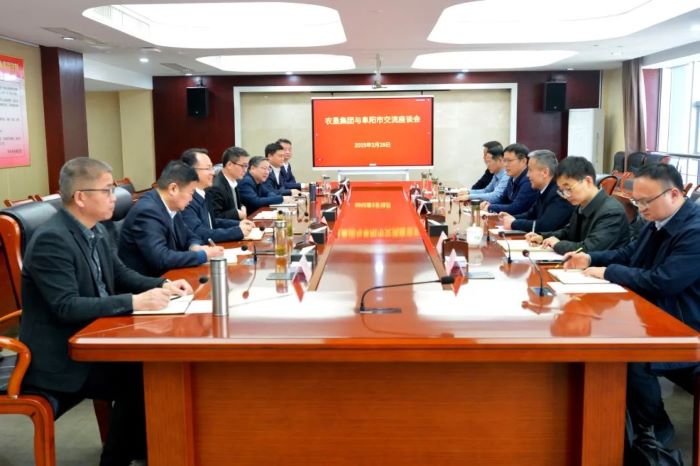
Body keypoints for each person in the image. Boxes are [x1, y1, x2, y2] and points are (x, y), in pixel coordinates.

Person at [20, 157, 193, 466]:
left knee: (151, 368)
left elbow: (122, 274)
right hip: (60, 356)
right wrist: (135, 302)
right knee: (142, 376)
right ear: (81, 197)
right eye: (107, 190)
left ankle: (145, 450)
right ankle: (117, 459)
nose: (115, 197)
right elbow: (66, 306)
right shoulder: (51, 239)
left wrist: (164, 284)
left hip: (96, 335)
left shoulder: (96, 230)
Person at [563, 163, 700, 445]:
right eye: (637, 201)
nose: (641, 208)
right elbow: (630, 253)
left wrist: (608, 272)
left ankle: (653, 432)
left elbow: (663, 281)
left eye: (646, 201)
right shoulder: (659, 219)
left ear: (674, 194)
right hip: (658, 313)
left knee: (631, 356)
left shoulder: (694, 231)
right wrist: (591, 258)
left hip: (687, 325)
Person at [118, 160, 223, 277]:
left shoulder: (171, 206)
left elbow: (190, 235)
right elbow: (160, 258)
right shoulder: (147, 211)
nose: (191, 199)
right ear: (173, 189)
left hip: (170, 275)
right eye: (191, 193)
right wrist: (202, 255)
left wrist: (195, 246)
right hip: (151, 282)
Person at [525, 156, 629, 254]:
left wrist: (557, 244)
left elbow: (590, 249)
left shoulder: (611, 212)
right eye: (562, 190)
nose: (566, 195)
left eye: (568, 188)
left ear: (587, 181)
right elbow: (569, 232)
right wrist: (543, 237)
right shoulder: (581, 204)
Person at [180, 148, 255, 242]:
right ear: (191, 171)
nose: (213, 173)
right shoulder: (186, 199)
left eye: (212, 168)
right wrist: (237, 232)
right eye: (208, 168)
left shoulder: (205, 193)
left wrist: (238, 224)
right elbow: (199, 232)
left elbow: (212, 222)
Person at [499, 149, 573, 233]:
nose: (527, 175)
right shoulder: (543, 189)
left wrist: (513, 223)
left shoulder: (558, 193)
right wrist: (512, 218)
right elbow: (531, 214)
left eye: (530, 170)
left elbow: (545, 226)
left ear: (545, 172)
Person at [480, 143, 538, 215]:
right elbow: (503, 199)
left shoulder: (529, 180)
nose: (505, 165)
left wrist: (490, 207)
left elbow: (516, 208)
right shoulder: (512, 177)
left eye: (509, 161)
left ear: (523, 161)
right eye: (504, 161)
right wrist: (488, 203)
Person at [207, 146, 249, 221]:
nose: (245, 170)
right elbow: (215, 218)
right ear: (229, 165)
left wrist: (242, 207)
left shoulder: (233, 181)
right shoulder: (216, 187)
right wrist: (237, 213)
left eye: (247, 166)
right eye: (243, 166)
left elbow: (234, 204)